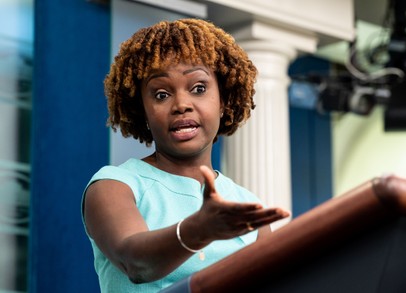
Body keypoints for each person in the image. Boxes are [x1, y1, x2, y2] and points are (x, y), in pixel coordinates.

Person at [81, 18, 290, 292]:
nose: (181, 104)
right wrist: (199, 230)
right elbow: (136, 263)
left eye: (199, 88)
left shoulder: (247, 207)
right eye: (161, 94)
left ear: (224, 101)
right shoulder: (114, 186)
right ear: (142, 111)